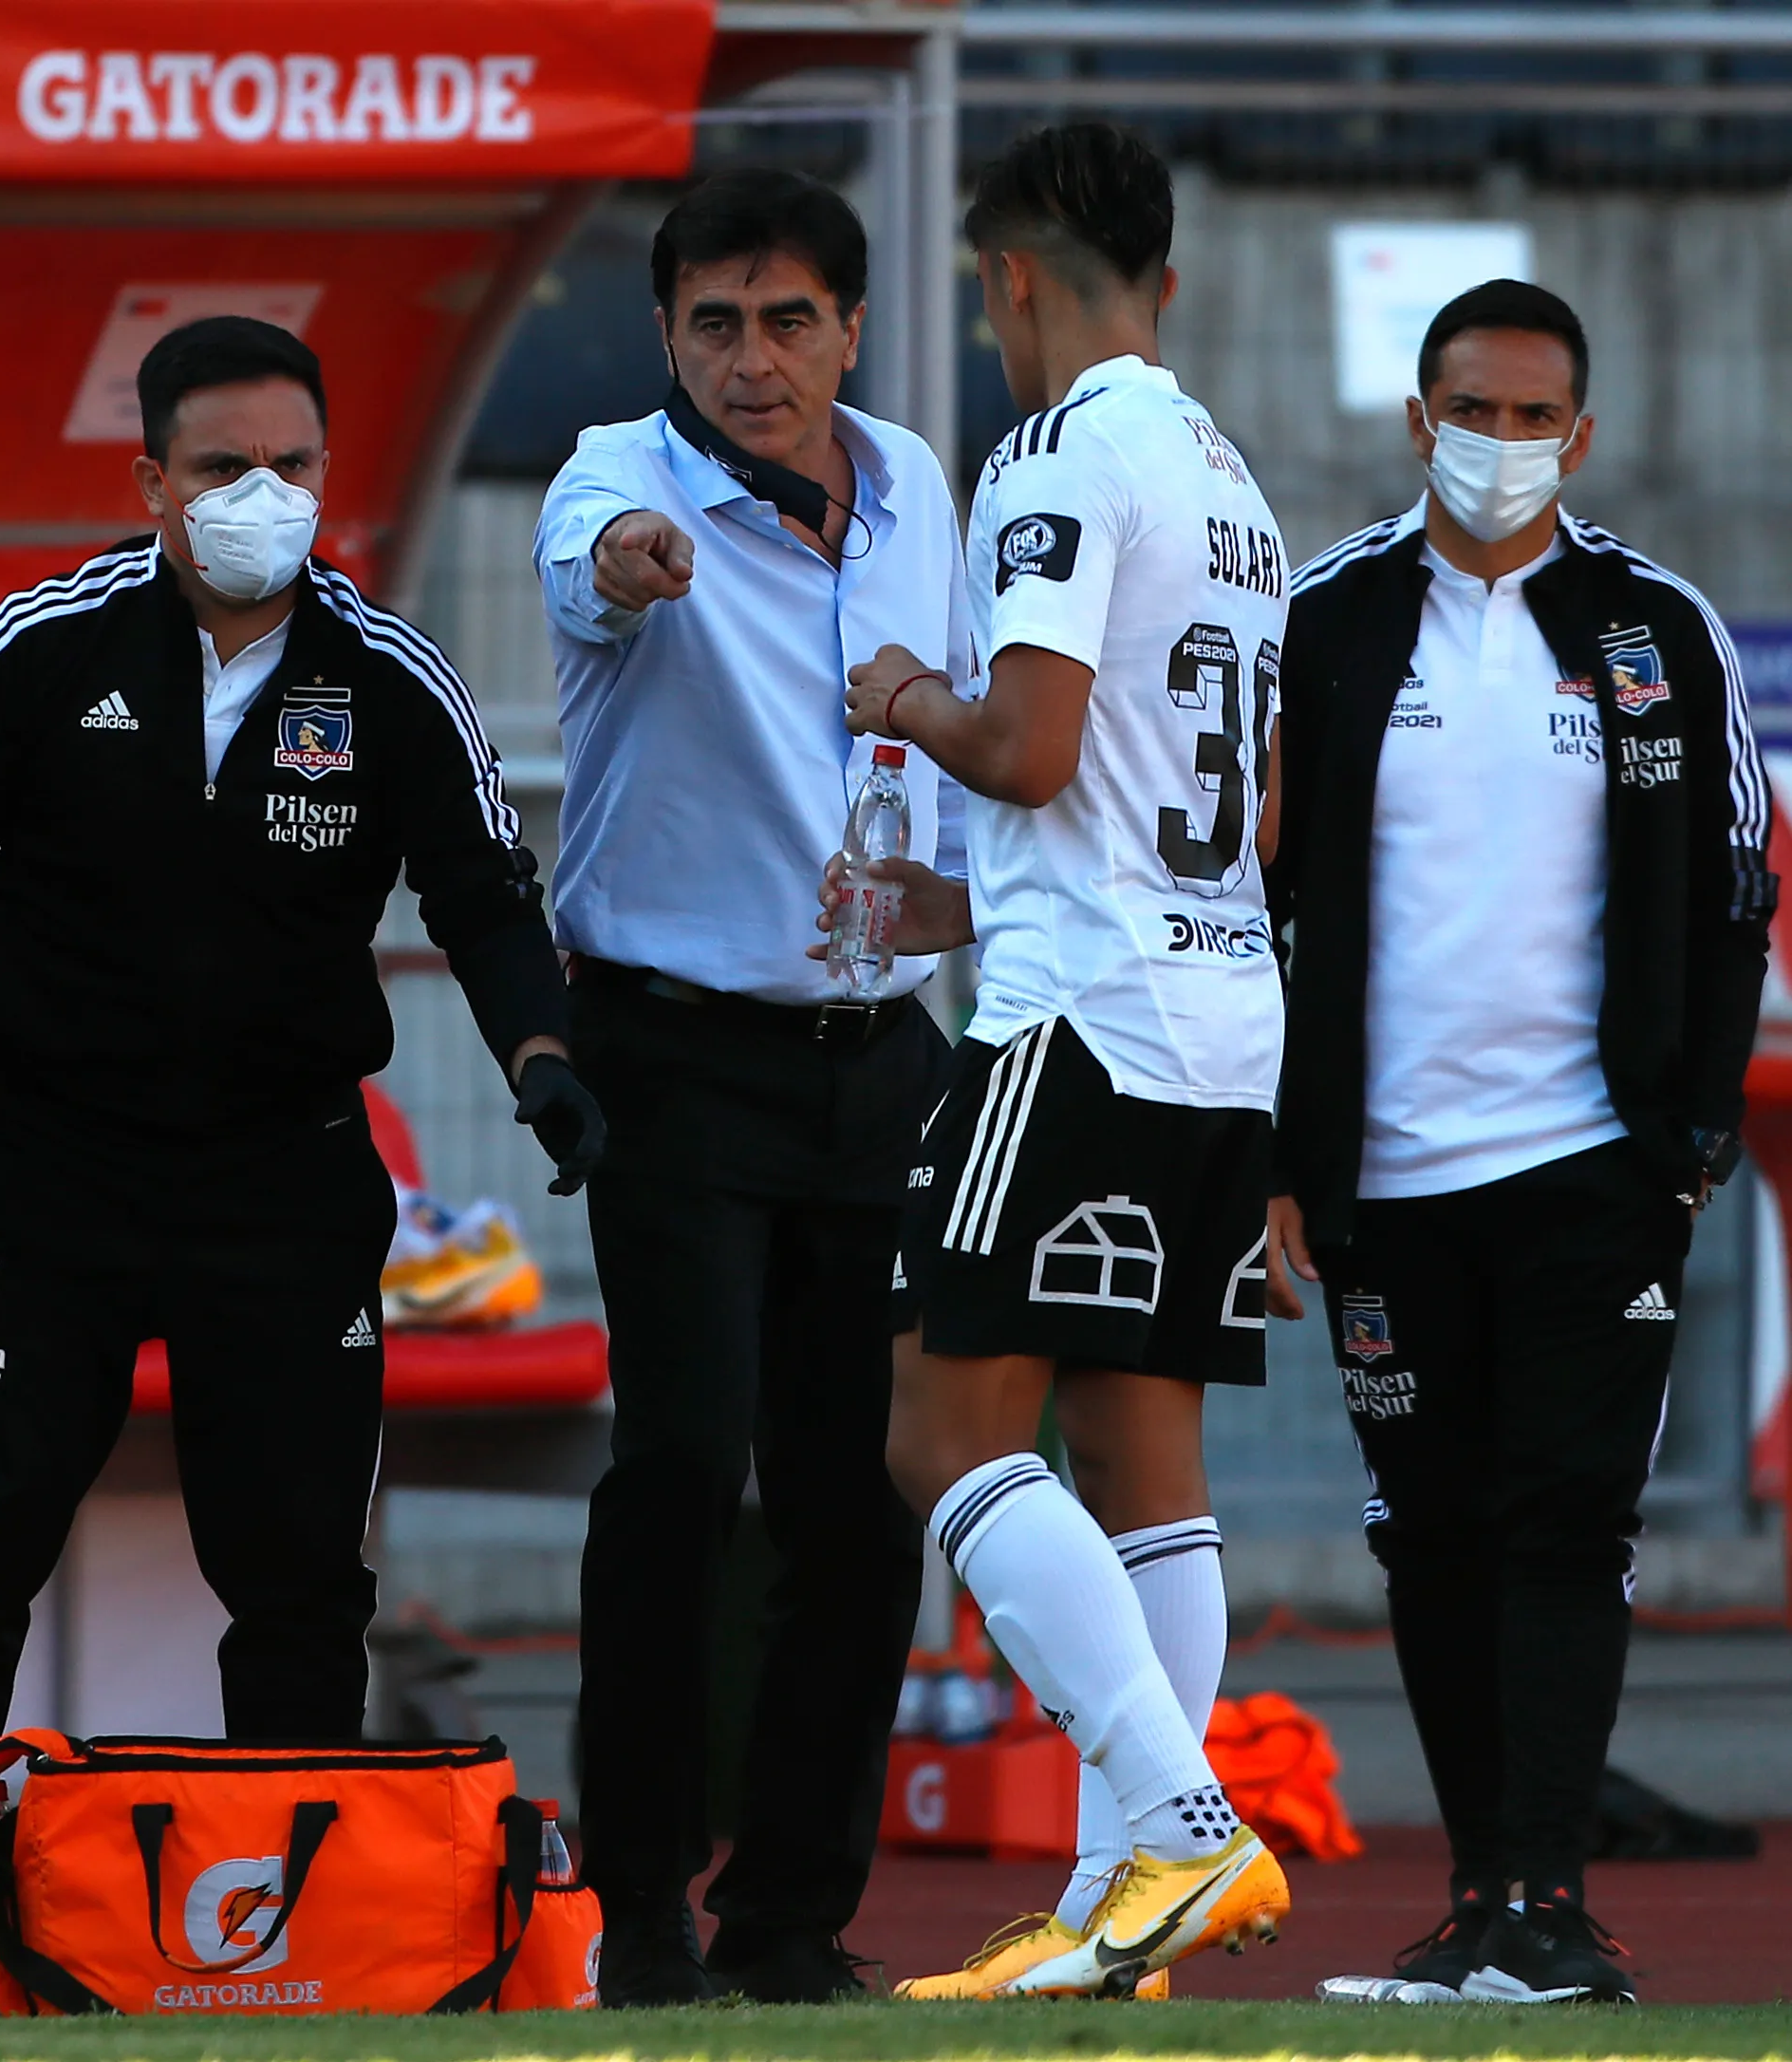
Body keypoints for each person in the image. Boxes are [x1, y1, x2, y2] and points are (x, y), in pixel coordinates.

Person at [0, 316, 602, 2015]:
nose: (264, 498)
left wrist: (545, 1066)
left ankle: (306, 1936)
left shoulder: (392, 677)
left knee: (300, 1574)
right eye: (223, 468)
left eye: (295, 467)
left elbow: (482, 894)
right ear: (149, 483)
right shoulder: (30, 646)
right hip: (39, 1176)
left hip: (283, 1182)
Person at [832, 122, 1292, 1999]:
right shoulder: (1230, 476)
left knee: (940, 1429)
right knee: (1142, 1460)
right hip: (1213, 1012)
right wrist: (965, 902)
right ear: (1160, 279)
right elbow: (1150, 792)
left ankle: (1181, 1831)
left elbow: (1023, 742)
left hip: (1079, 1027)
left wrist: (903, 700)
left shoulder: (1053, 453)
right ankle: (1128, 1908)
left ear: (1006, 279)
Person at [1273, 282, 1772, 2007]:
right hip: (1381, 1180)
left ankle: (1552, 1908)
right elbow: (1245, 889)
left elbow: (1735, 883)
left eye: (1532, 415)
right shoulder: (1323, 622)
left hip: (1591, 1164)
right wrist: (1283, 1160)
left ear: (1583, 428)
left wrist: (1689, 1130)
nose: (1500, 445)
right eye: (1469, 413)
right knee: (1427, 1533)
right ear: (1416, 423)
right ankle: (1481, 1900)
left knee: (1565, 1525)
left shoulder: (1655, 625)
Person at [529, 167, 965, 2006]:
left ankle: (790, 1914)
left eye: (789, 319)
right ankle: (637, 1900)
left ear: (853, 331)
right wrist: (643, 572)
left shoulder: (928, 483)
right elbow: (594, 573)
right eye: (716, 321)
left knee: (864, 1499)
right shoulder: (618, 478)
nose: (752, 359)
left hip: (880, 1054)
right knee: (686, 1468)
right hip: (678, 1050)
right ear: (667, 337)